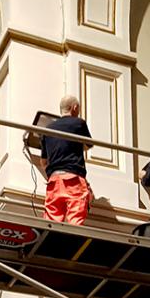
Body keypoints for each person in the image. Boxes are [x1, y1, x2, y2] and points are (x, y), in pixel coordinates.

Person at [40, 96, 92, 225]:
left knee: (52, 221)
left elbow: (43, 162)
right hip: (73, 179)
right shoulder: (79, 123)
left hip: (54, 181)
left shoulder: (46, 130)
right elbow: (88, 145)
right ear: (74, 107)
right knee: (75, 219)